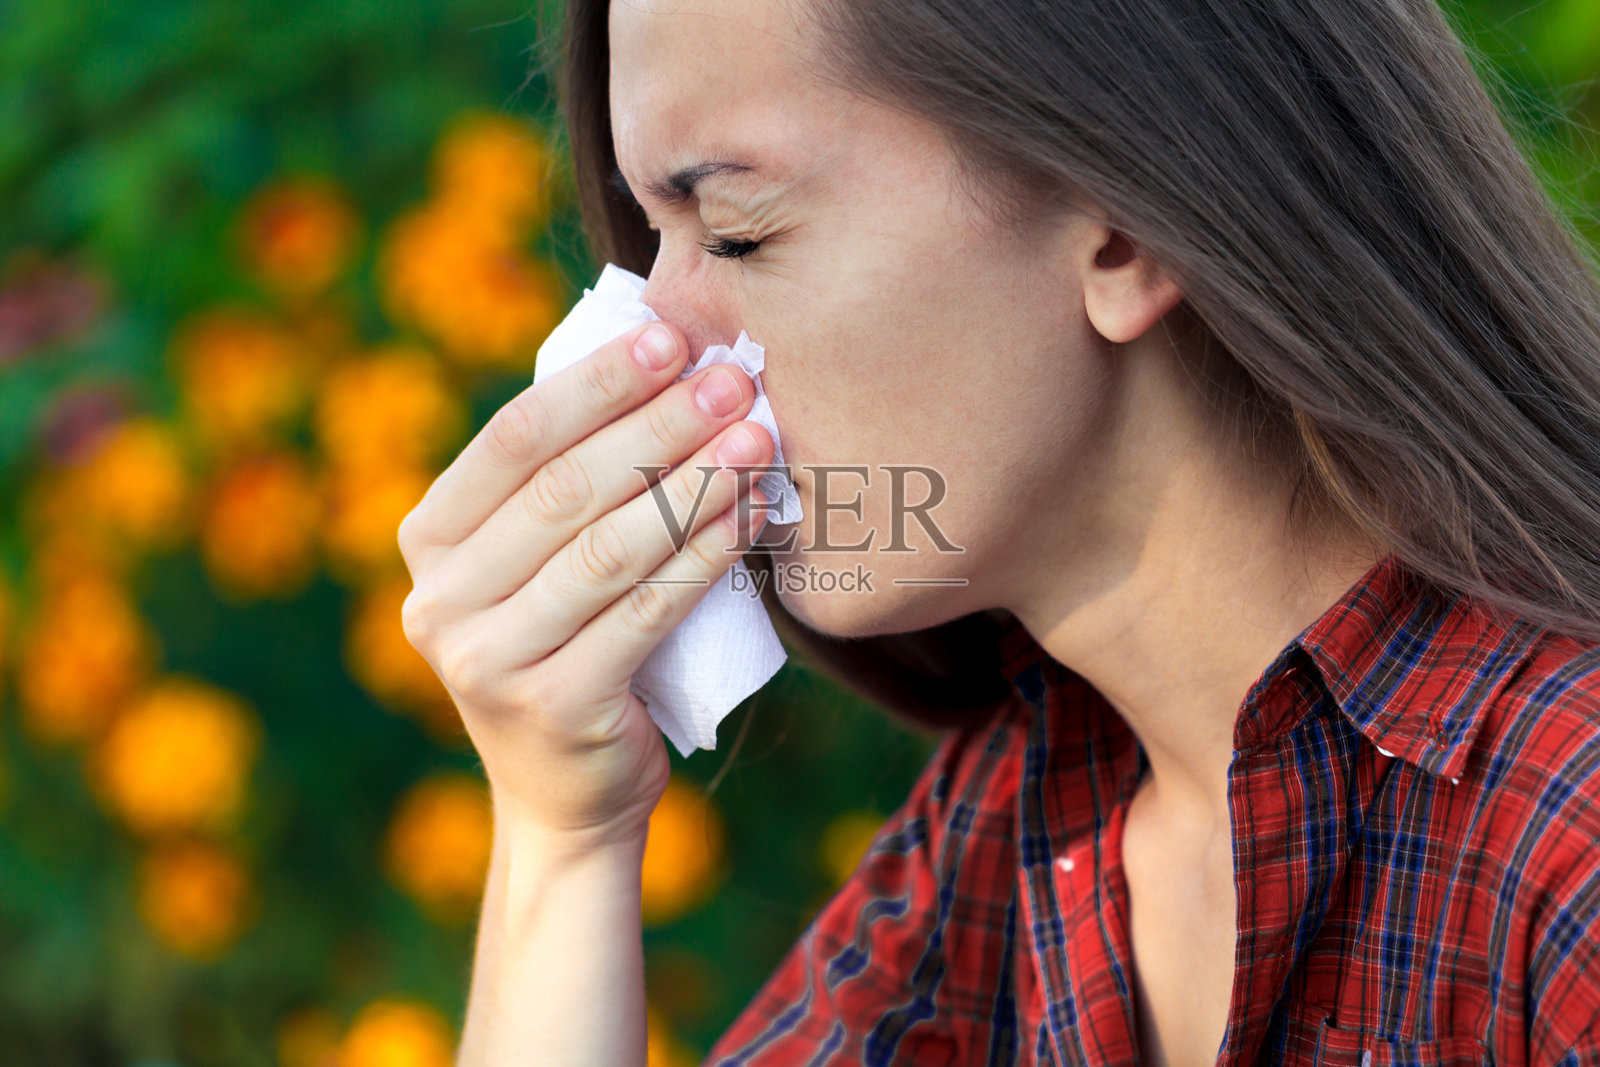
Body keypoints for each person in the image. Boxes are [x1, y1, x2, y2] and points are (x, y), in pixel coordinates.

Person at [397, 0, 1600, 1062]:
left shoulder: (1564, 851)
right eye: (647, 243)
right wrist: (564, 835)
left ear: (1125, 224)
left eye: (739, 232)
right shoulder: (1018, 838)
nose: (641, 344)